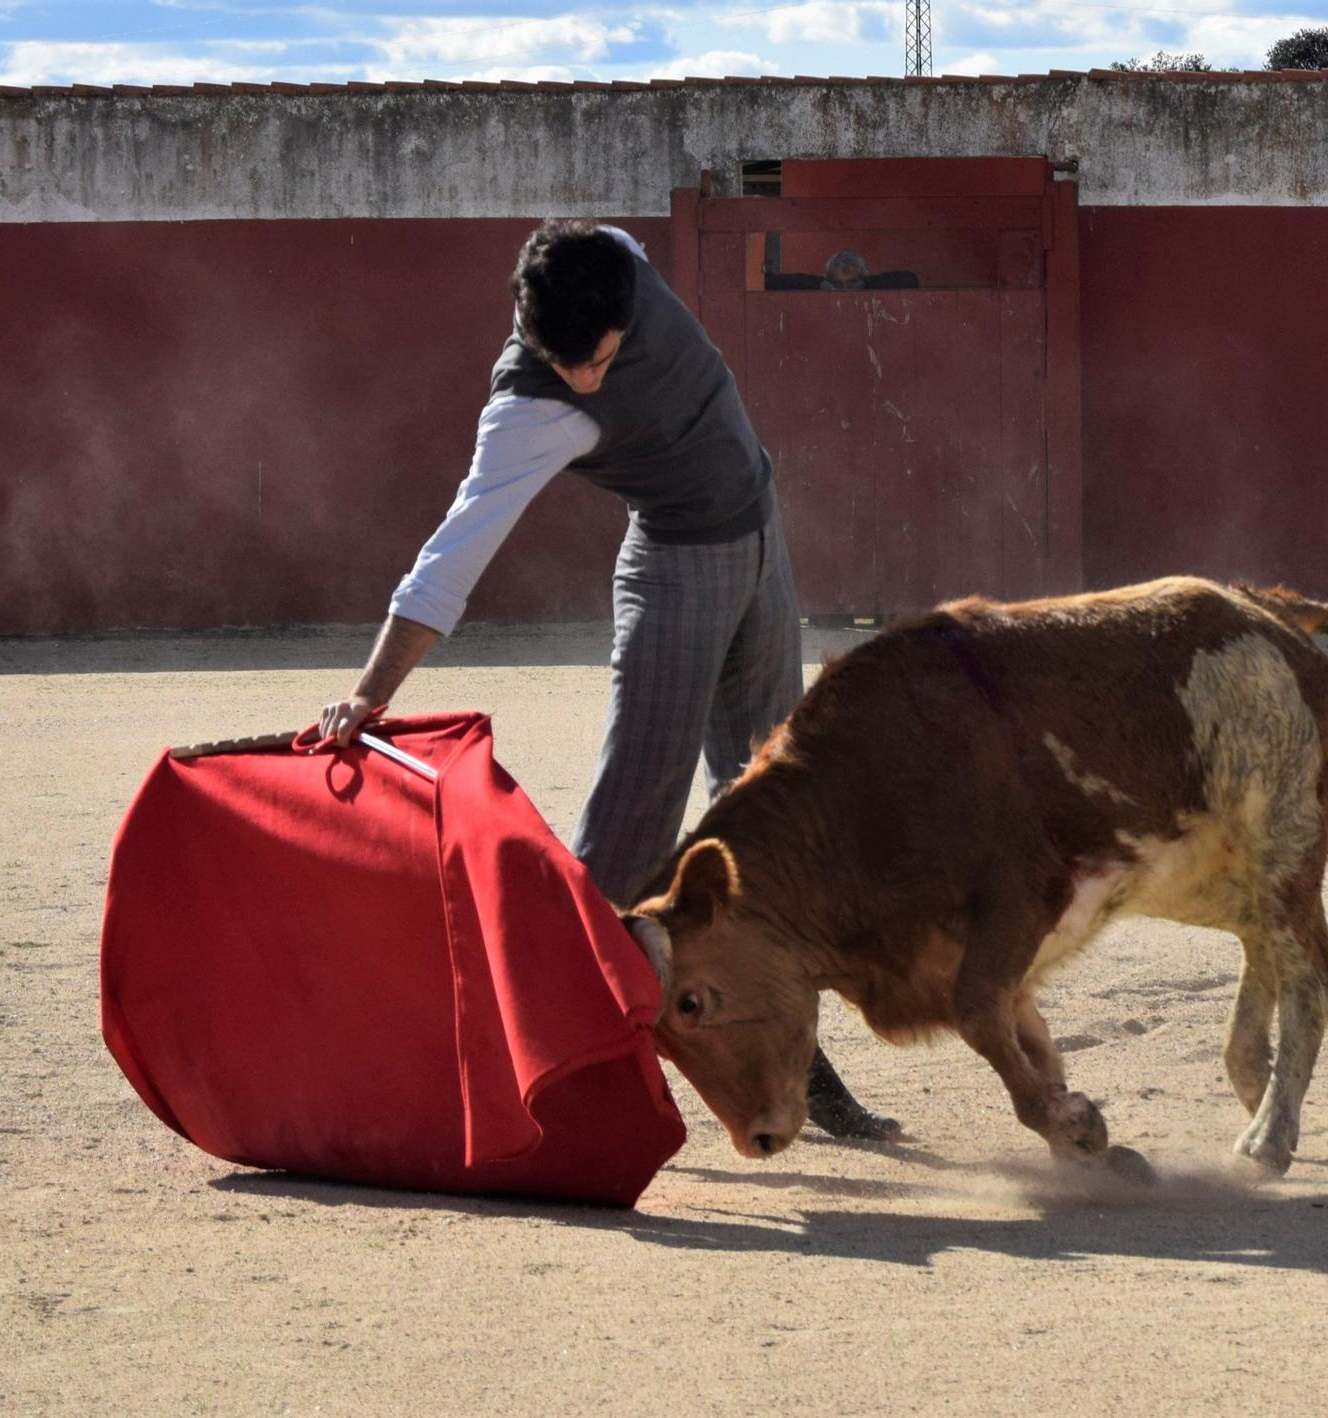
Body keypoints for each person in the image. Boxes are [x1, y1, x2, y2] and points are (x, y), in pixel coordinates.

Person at [315, 220, 897, 1141]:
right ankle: (542, 1064)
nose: (587, 379)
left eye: (601, 359)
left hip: (759, 535)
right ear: (527, 324)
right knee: (630, 826)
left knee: (775, 808)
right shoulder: (524, 412)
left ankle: (797, 1056)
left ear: (625, 303)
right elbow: (451, 557)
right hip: (675, 567)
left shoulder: (615, 253)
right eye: (568, 365)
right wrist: (371, 692)